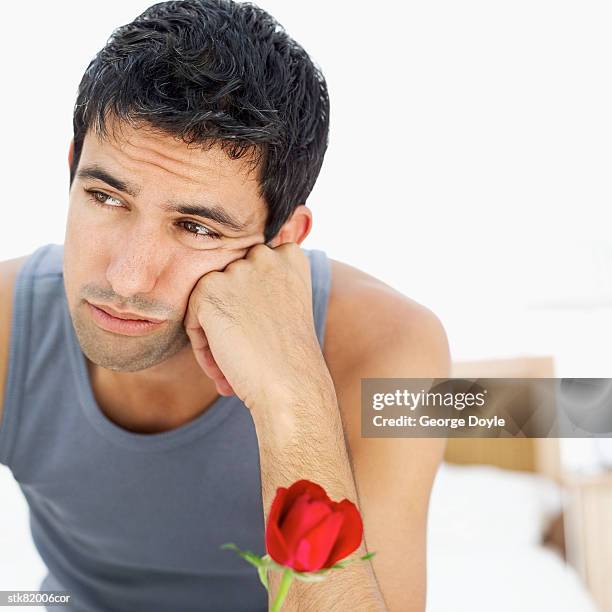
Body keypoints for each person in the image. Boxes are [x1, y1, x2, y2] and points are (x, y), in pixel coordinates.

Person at [0, 1, 450, 610]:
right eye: (107, 197)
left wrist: (293, 397)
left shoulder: (395, 349)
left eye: (198, 228)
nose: (127, 277)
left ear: (283, 240)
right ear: (72, 168)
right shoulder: (7, 324)